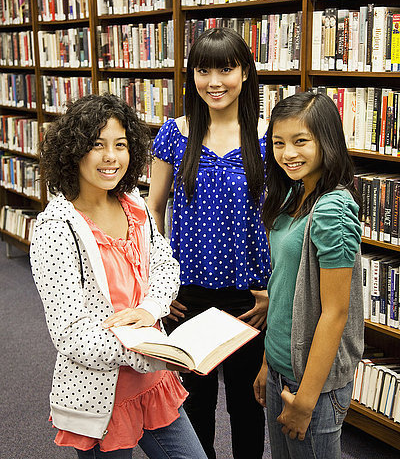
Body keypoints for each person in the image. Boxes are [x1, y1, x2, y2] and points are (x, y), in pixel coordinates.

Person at [30, 93, 208, 459]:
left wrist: (150, 309)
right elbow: (70, 334)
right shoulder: (56, 228)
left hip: (154, 385)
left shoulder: (134, 203)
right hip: (99, 397)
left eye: (121, 145)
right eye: (97, 145)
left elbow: (166, 266)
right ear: (74, 150)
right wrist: (148, 352)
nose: (112, 157)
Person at [147, 27, 271, 459]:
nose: (214, 81)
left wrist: (274, 293)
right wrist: (159, 290)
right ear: (191, 77)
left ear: (245, 73)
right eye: (203, 70)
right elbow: (153, 211)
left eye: (226, 68)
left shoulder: (269, 135)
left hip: (250, 300)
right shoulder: (174, 133)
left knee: (247, 407)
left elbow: (285, 219)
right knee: (194, 405)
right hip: (188, 296)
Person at [253, 91, 364, 459]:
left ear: (327, 141)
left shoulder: (332, 208)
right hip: (281, 367)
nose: (288, 154)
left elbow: (336, 312)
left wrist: (305, 401)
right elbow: (282, 290)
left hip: (311, 384)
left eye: (301, 141)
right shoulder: (295, 193)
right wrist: (268, 363)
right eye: (278, 143)